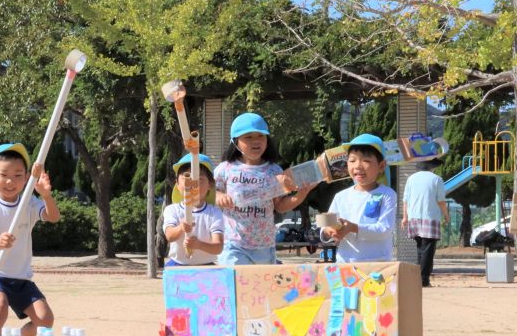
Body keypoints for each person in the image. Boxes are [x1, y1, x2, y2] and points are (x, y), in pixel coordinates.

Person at [0, 143, 59, 336]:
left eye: (18, 175)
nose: (10, 181)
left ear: (27, 178)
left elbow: (53, 217)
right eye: (4, 175)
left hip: (21, 278)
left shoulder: (29, 203)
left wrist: (46, 195)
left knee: (45, 319)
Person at [214, 113, 315, 265]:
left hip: (265, 246)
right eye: (248, 137)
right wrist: (218, 196)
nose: (256, 141)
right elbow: (209, 193)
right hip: (234, 244)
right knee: (238, 285)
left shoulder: (274, 170)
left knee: (260, 287)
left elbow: (280, 206)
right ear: (235, 142)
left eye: (261, 136)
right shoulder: (225, 168)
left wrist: (301, 194)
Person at [318, 134, 397, 263]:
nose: (358, 166)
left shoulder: (387, 194)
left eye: (366, 161)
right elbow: (325, 225)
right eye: (352, 160)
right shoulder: (340, 196)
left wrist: (353, 227)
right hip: (345, 263)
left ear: (381, 166)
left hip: (377, 264)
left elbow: (384, 229)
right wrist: (328, 230)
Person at [162, 153, 224, 267]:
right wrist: (181, 227)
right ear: (177, 183)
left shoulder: (215, 213)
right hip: (178, 264)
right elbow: (169, 236)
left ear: (210, 184)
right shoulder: (172, 210)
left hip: (206, 267)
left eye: (199, 179)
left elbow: (218, 247)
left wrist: (199, 245)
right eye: (187, 177)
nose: (193, 184)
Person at [402, 159, 449, 287]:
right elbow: (441, 200)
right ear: (431, 167)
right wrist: (446, 214)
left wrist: (405, 217)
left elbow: (406, 200)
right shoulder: (436, 179)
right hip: (431, 217)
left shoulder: (411, 178)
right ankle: (423, 279)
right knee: (428, 250)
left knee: (420, 249)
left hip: (414, 218)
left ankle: (418, 277)